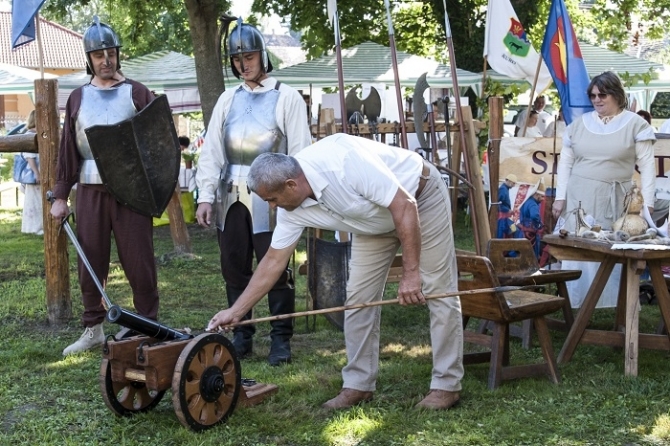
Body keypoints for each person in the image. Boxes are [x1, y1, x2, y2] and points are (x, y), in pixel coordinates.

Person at [207, 133, 464, 411]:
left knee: (439, 290)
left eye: (272, 199)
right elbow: (273, 261)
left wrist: (411, 274)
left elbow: (404, 205)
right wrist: (237, 311)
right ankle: (358, 385)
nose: (271, 206)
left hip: (418, 199)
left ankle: (446, 386)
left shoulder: (343, 162)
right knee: (358, 301)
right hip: (370, 221)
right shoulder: (290, 207)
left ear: (292, 184)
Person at [195, 19, 312, 366]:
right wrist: (204, 195)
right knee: (233, 267)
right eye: (236, 58)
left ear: (262, 55)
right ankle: (241, 333)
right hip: (229, 194)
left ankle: (280, 339)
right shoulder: (227, 99)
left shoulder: (287, 98)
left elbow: (301, 152)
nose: (243, 64)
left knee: (276, 268)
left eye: (248, 56)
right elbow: (212, 151)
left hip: (273, 199)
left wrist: (300, 199)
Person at [50, 18, 160, 356]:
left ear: (117, 54)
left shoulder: (137, 92)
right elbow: (69, 148)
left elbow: (159, 140)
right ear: (89, 59)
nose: (106, 60)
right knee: (90, 261)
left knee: (139, 260)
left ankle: (148, 325)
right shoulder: (78, 98)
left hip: (132, 191)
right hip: (90, 190)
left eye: (110, 53)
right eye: (99, 55)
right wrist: (60, 194)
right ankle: (93, 328)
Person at [552, 71, 656, 307]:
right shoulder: (578, 125)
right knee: (581, 250)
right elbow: (566, 163)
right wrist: (560, 198)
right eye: (593, 95)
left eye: (603, 94)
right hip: (580, 197)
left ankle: (616, 304)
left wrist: (647, 203)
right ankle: (576, 302)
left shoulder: (635, 124)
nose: (597, 99)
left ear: (617, 95)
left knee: (614, 249)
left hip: (617, 198)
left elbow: (648, 167)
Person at [21, 110, 43, 236]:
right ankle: (35, 227)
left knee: (37, 200)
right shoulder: (30, 135)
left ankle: (37, 226)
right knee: (35, 201)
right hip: (35, 173)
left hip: (37, 172)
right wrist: (37, 173)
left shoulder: (36, 134)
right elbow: (30, 157)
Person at [517, 185, 545, 259]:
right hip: (530, 235)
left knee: (522, 255)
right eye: (541, 196)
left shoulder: (526, 201)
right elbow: (534, 216)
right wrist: (539, 224)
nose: (543, 199)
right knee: (531, 256)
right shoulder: (533, 204)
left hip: (522, 233)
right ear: (536, 194)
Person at [496, 173, 517, 238]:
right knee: (501, 236)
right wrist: (508, 210)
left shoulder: (505, 189)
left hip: (505, 217)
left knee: (512, 230)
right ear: (509, 181)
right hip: (502, 218)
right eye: (513, 183)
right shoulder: (503, 189)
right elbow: (498, 203)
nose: (514, 185)